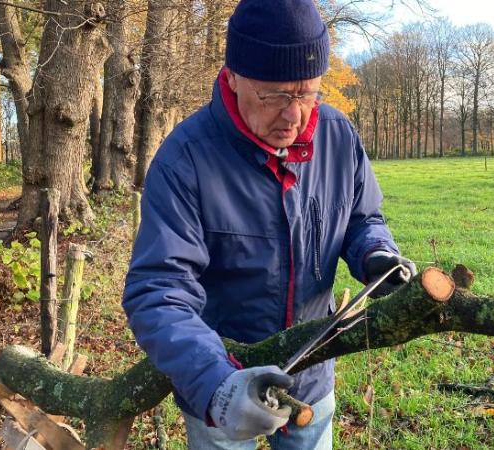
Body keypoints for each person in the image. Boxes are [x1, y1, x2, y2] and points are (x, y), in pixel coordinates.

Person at [122, 0, 416, 448]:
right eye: (275, 95)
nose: (293, 115)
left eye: (306, 93)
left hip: (311, 378)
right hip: (222, 382)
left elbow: (362, 218)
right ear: (233, 77)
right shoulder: (186, 159)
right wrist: (216, 384)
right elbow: (159, 289)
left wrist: (376, 254)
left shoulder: (337, 137)